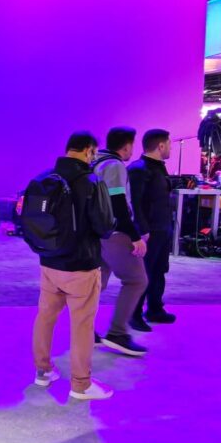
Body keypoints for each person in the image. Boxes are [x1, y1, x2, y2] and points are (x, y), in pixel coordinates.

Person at [29, 132, 116, 400]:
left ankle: (43, 372)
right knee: (82, 325)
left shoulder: (44, 178)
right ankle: (81, 384)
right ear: (89, 151)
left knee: (45, 317)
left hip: (49, 261)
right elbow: (103, 226)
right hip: (81, 265)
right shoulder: (91, 181)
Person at [92, 127, 149, 357]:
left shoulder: (96, 162)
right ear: (126, 145)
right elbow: (118, 203)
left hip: (97, 233)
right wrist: (135, 236)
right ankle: (117, 333)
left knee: (97, 284)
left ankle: (86, 330)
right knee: (136, 280)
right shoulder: (114, 165)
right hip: (114, 234)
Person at [128, 129, 176, 328]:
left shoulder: (158, 168)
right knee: (144, 273)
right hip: (150, 231)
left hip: (163, 228)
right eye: (170, 144)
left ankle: (155, 309)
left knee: (159, 270)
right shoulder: (139, 169)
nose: (171, 147)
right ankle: (134, 314)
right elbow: (135, 203)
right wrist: (142, 230)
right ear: (161, 146)